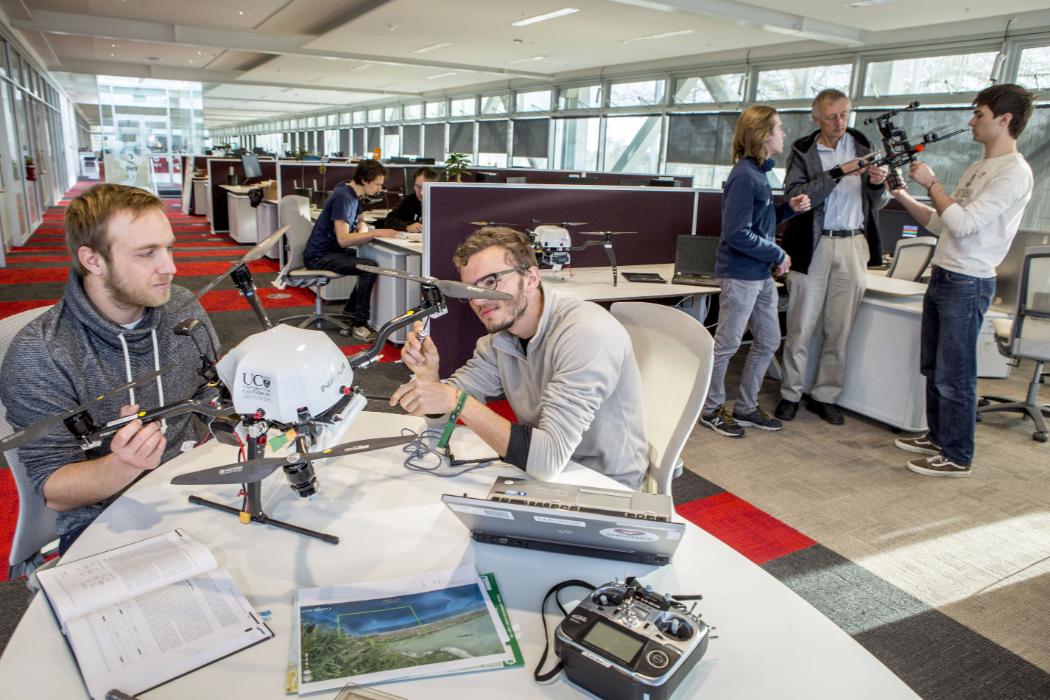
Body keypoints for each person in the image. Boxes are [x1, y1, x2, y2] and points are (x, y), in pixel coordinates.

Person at [0, 183, 218, 554]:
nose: (170, 267)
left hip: (191, 490)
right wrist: (122, 466)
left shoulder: (182, 308)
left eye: (169, 248)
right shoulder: (41, 354)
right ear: (93, 260)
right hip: (102, 522)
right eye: (147, 253)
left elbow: (210, 391)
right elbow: (54, 489)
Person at [388, 226, 649, 489]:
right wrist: (430, 379)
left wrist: (458, 401)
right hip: (544, 471)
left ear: (532, 278)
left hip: (605, 485)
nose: (478, 301)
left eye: (491, 282)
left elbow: (546, 461)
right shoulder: (499, 340)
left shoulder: (585, 333)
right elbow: (443, 419)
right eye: (471, 290)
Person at [890, 84, 1034, 477]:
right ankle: (938, 437)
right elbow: (942, 224)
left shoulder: (1013, 173)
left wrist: (932, 184)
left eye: (979, 115)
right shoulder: (977, 168)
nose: (971, 121)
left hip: (968, 281)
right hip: (945, 272)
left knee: (956, 374)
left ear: (1005, 120)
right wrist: (903, 194)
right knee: (934, 367)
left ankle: (956, 455)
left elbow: (965, 224)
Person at [776, 89, 890, 425]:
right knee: (800, 326)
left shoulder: (864, 147)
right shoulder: (802, 150)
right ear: (816, 118)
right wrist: (838, 173)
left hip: (854, 242)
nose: (839, 122)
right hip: (813, 245)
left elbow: (878, 203)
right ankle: (790, 393)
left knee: (839, 329)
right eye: (831, 116)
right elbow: (796, 195)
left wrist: (875, 184)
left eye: (844, 114)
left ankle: (825, 395)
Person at [700, 106, 810, 438]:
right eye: (779, 128)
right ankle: (711, 409)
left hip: (759, 273)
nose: (783, 134)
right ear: (763, 135)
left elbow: (759, 225)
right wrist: (778, 251)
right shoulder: (744, 176)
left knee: (768, 340)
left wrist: (786, 210)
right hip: (739, 273)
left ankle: (746, 407)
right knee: (728, 344)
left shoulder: (759, 174)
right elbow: (737, 233)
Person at [302, 159, 400, 341]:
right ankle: (360, 324)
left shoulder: (348, 191)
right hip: (319, 256)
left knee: (366, 259)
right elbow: (344, 240)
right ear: (364, 180)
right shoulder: (344, 198)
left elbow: (360, 217)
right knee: (368, 267)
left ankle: (349, 311)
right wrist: (375, 232)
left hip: (329, 252)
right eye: (377, 184)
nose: (380, 189)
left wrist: (362, 225)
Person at [384, 166, 439, 232]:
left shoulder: (443, 203)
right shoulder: (410, 200)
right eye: (418, 187)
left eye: (425, 187)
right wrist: (407, 227)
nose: (421, 193)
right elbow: (389, 221)